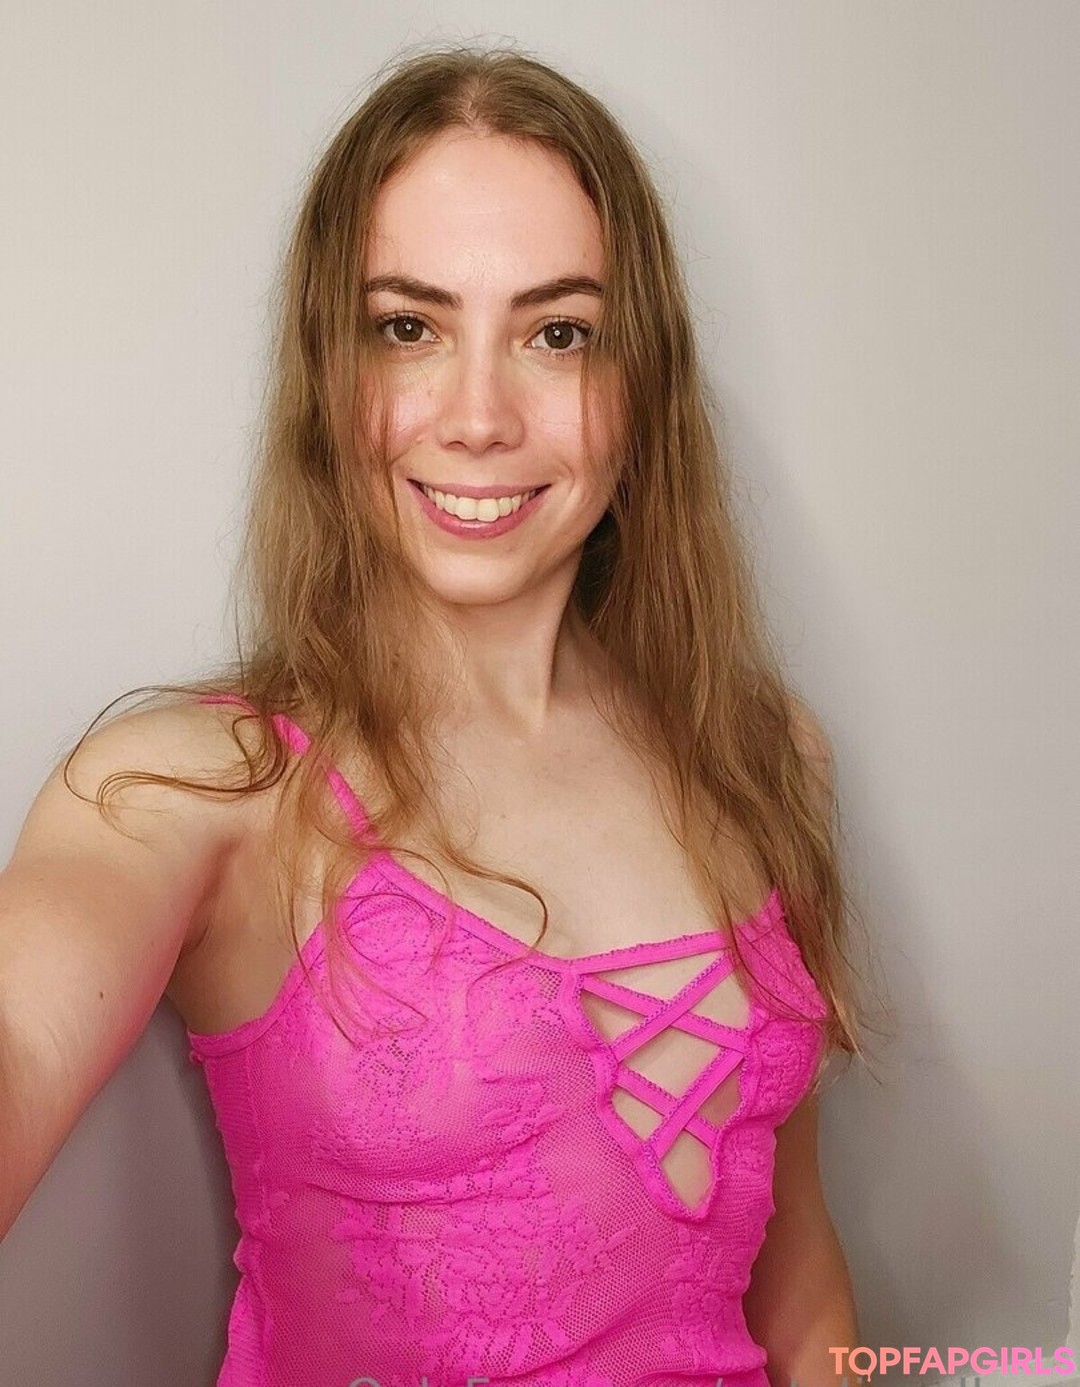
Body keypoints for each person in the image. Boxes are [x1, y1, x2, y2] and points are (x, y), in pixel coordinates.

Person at [0, 42, 880, 1387]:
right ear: (329, 371)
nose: (477, 419)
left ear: (641, 381)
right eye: (408, 328)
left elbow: (800, 1283)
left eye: (557, 333)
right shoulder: (196, 788)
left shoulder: (765, 758)